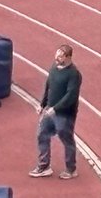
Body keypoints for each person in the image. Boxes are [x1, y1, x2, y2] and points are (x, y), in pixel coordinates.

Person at [30, 44, 82, 180]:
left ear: (68, 57)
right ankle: (44, 166)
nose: (57, 58)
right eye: (56, 55)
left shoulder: (74, 74)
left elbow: (71, 96)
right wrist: (42, 104)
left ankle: (71, 169)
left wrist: (55, 109)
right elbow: (49, 87)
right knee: (42, 135)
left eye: (60, 56)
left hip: (64, 114)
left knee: (66, 139)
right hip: (49, 110)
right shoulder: (54, 68)